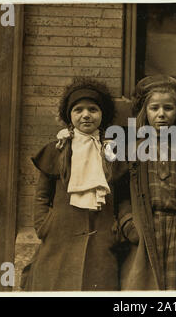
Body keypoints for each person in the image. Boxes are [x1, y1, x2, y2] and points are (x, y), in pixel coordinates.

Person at [23, 78, 124, 291]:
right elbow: (42, 195)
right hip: (60, 237)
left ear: (102, 114)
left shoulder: (112, 151)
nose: (86, 115)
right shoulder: (57, 149)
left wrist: (116, 228)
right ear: (69, 115)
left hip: (102, 237)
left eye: (93, 109)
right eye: (78, 109)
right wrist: (45, 225)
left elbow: (122, 194)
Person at [118, 75, 176, 290]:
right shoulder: (132, 149)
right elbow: (120, 193)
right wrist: (128, 223)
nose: (161, 114)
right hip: (145, 225)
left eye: (168, 108)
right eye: (154, 108)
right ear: (145, 112)